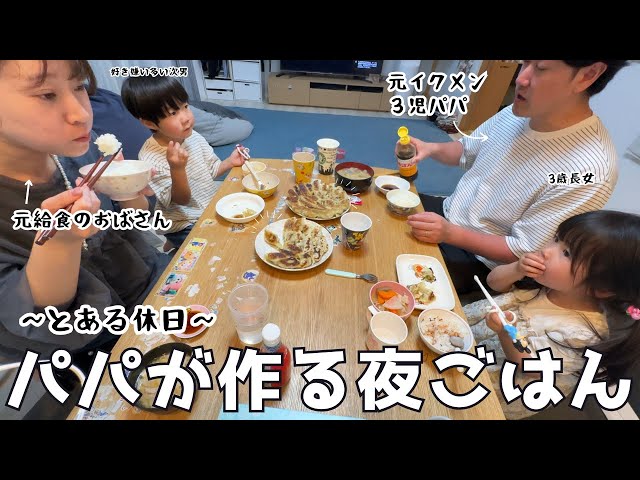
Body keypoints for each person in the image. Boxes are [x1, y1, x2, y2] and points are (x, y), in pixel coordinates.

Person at [0, 60, 170, 375]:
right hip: (83, 346)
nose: (81, 113)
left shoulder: (81, 150)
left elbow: (131, 222)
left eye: (79, 87)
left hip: (146, 289)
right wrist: (60, 241)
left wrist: (128, 191)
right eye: (47, 94)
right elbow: (34, 316)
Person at [408, 60, 628, 294]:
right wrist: (430, 148)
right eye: (525, 63)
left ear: (588, 74)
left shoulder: (589, 172)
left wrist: (449, 233)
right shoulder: (520, 111)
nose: (520, 78)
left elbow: (522, 251)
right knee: (383, 208)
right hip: (447, 214)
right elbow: (466, 151)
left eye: (540, 68)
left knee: (397, 271)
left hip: (482, 262)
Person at [463, 210, 640, 419]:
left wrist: (505, 332)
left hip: (491, 379)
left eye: (566, 253)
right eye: (556, 239)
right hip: (468, 338)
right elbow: (493, 282)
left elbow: (531, 368)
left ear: (601, 288)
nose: (547, 251)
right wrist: (517, 269)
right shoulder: (549, 282)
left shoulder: (582, 334)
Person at [121, 75, 246, 249]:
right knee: (221, 248)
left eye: (185, 107)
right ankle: (174, 239)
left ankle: (173, 243)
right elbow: (181, 200)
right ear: (150, 123)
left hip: (207, 207)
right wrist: (177, 169)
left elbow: (210, 171)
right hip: (183, 222)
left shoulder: (192, 136)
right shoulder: (149, 158)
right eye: (173, 113)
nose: (186, 117)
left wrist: (229, 162)